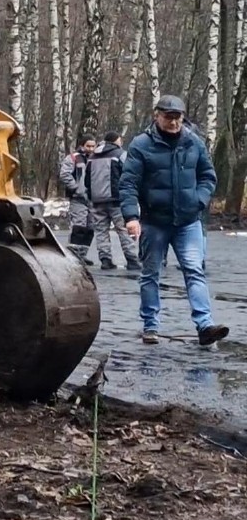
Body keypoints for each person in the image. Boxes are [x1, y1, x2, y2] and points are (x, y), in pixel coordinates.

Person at [119, 95, 228, 346]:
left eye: (177, 117)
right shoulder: (141, 145)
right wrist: (131, 217)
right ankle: (150, 326)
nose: (174, 122)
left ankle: (205, 326)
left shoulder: (194, 142)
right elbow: (128, 184)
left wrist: (198, 201)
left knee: (194, 270)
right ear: (156, 115)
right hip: (154, 221)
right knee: (150, 274)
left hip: (188, 221)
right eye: (168, 117)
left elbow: (208, 176)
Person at [85, 131, 141, 271]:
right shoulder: (120, 154)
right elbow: (130, 173)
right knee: (123, 229)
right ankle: (132, 259)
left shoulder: (92, 157)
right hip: (116, 199)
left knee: (101, 231)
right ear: (116, 141)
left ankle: (105, 260)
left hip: (97, 200)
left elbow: (86, 180)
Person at [59, 134, 97, 265]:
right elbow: (64, 174)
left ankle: (83, 254)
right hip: (78, 198)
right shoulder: (73, 158)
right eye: (88, 146)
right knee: (79, 226)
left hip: (93, 198)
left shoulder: (96, 158)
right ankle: (74, 255)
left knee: (90, 227)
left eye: (93, 146)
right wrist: (76, 188)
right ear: (82, 145)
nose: (91, 149)